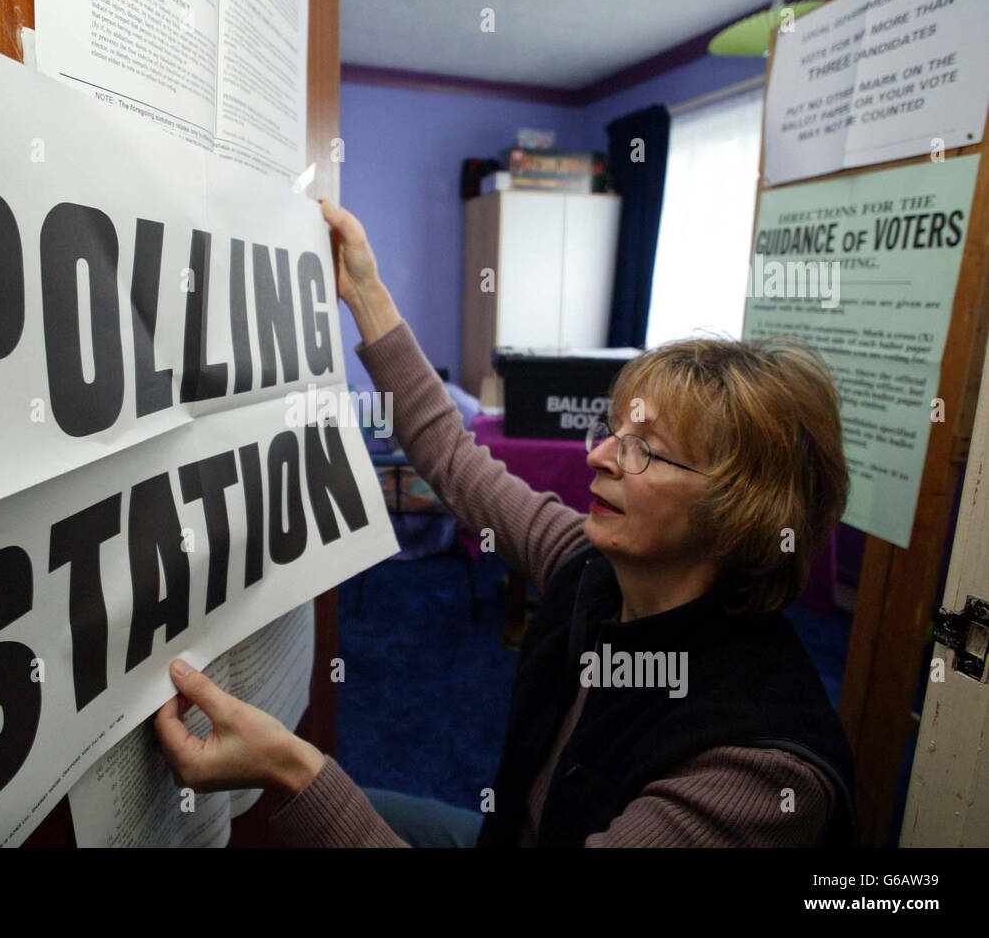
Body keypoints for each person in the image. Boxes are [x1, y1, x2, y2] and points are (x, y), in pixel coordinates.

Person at [154, 199, 858, 847]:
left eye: (646, 450)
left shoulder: (756, 772)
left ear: (738, 510)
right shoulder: (590, 566)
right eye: (612, 430)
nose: (601, 457)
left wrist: (293, 769)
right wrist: (365, 288)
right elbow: (453, 456)